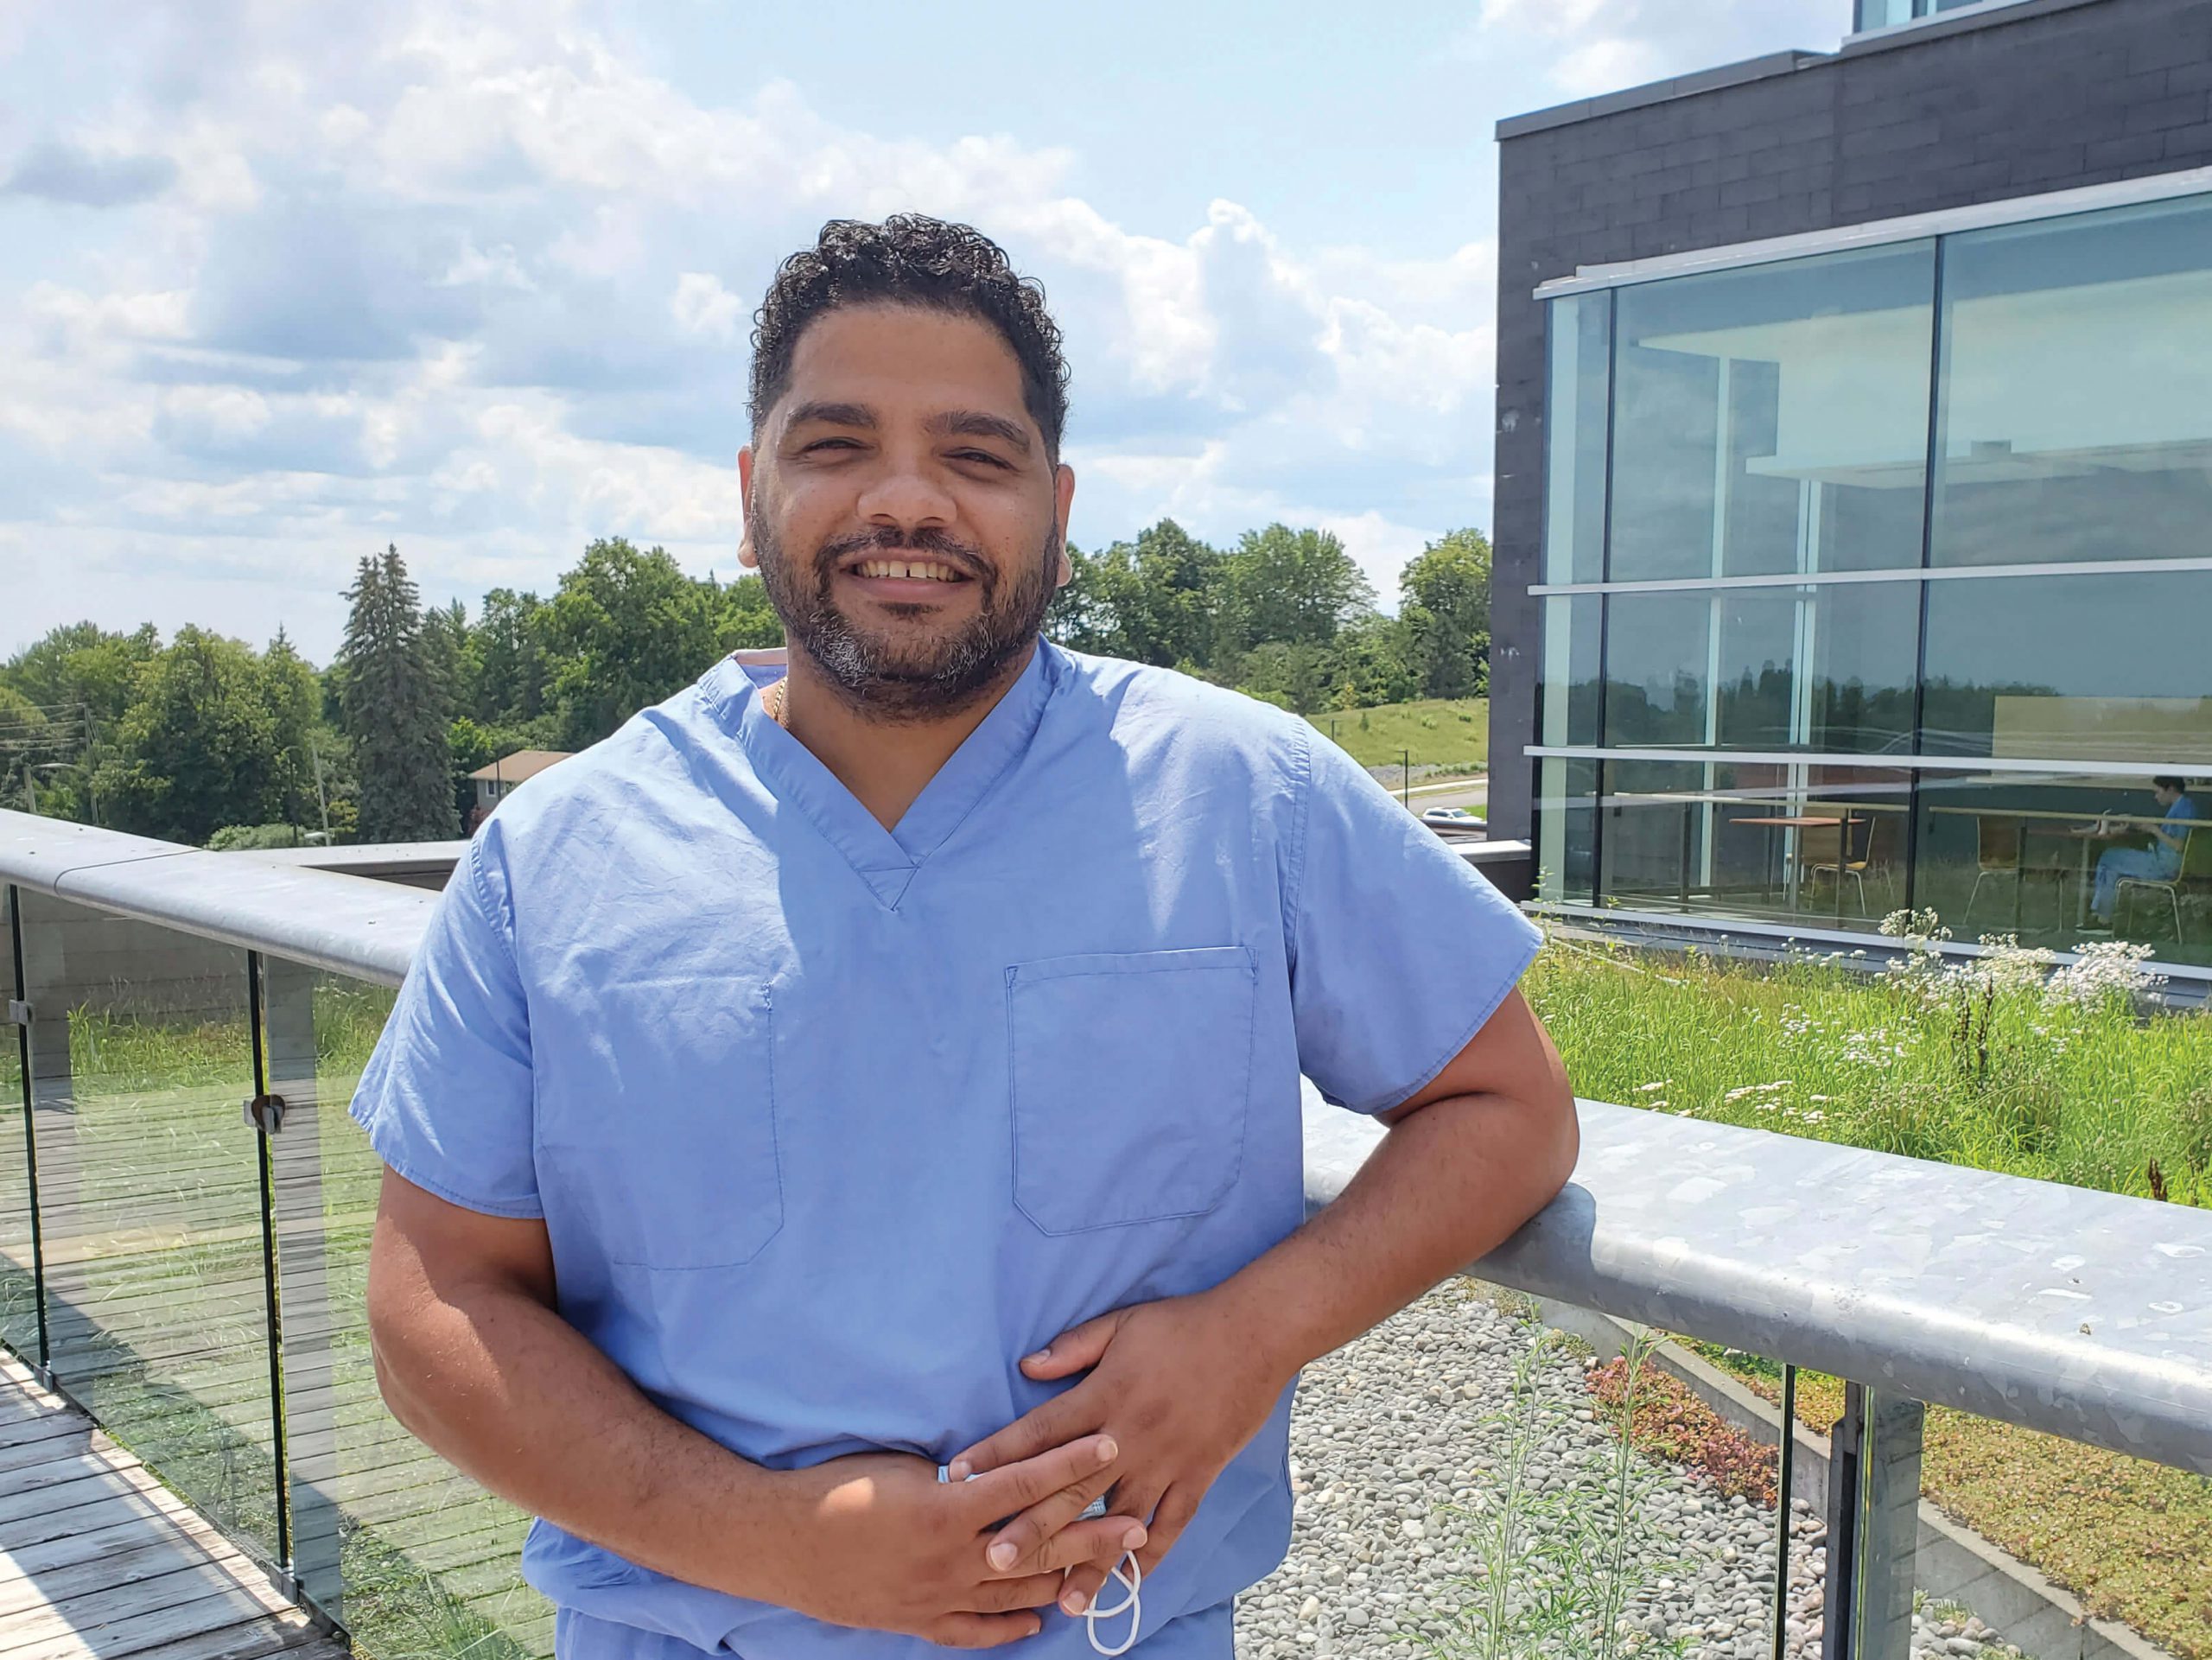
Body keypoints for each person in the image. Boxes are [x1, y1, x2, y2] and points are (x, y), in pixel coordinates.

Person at [352, 215, 1575, 1660]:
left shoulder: (1249, 799)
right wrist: (778, 1544)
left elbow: (1510, 1113)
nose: (908, 500)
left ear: (1057, 515)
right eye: (837, 445)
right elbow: (433, 1305)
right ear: (752, 497)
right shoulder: (555, 862)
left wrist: (1257, 1329)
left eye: (977, 457)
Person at [2089, 775, 2202, 925]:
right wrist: (2141, 824)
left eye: (2157, 792)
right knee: (2112, 863)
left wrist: (2154, 829)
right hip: (2164, 861)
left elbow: (2178, 846)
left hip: (2165, 866)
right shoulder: (2184, 806)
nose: (2156, 797)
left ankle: (2102, 918)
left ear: (2170, 789)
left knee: (2109, 858)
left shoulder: (2184, 810)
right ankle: (2102, 917)